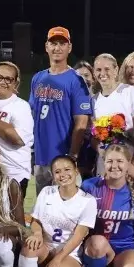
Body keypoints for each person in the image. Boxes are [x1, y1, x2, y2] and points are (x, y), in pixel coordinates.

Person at [9, 155, 98, 267]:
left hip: (70, 254)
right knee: (30, 244)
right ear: (53, 175)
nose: (63, 175)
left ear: (76, 171)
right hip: (47, 247)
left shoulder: (88, 201)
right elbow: (36, 220)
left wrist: (58, 259)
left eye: (67, 169)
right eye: (57, 172)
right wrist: (37, 233)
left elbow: (78, 236)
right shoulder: (46, 192)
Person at [78, 143, 134, 267]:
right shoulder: (90, 186)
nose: (114, 166)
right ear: (103, 162)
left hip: (126, 246)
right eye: (110, 161)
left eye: (120, 161)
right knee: (98, 241)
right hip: (98, 247)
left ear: (128, 163)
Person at [31, 29, 92, 190]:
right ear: (46, 46)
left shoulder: (76, 80)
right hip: (40, 157)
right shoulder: (37, 78)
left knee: (65, 208)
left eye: (62, 43)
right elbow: (32, 114)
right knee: (44, 208)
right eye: (53, 43)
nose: (57, 48)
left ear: (69, 48)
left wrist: (72, 155)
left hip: (62, 158)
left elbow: (81, 122)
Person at [89, 53, 134, 172]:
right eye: (98, 70)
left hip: (130, 157)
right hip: (106, 162)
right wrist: (101, 150)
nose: (103, 73)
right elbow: (93, 135)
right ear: (94, 73)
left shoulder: (131, 92)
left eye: (107, 69)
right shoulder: (93, 100)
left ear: (116, 70)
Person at [0, 61, 36, 186]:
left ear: (16, 83)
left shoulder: (21, 106)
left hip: (12, 172)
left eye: (8, 79)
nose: (2, 81)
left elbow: (18, 139)